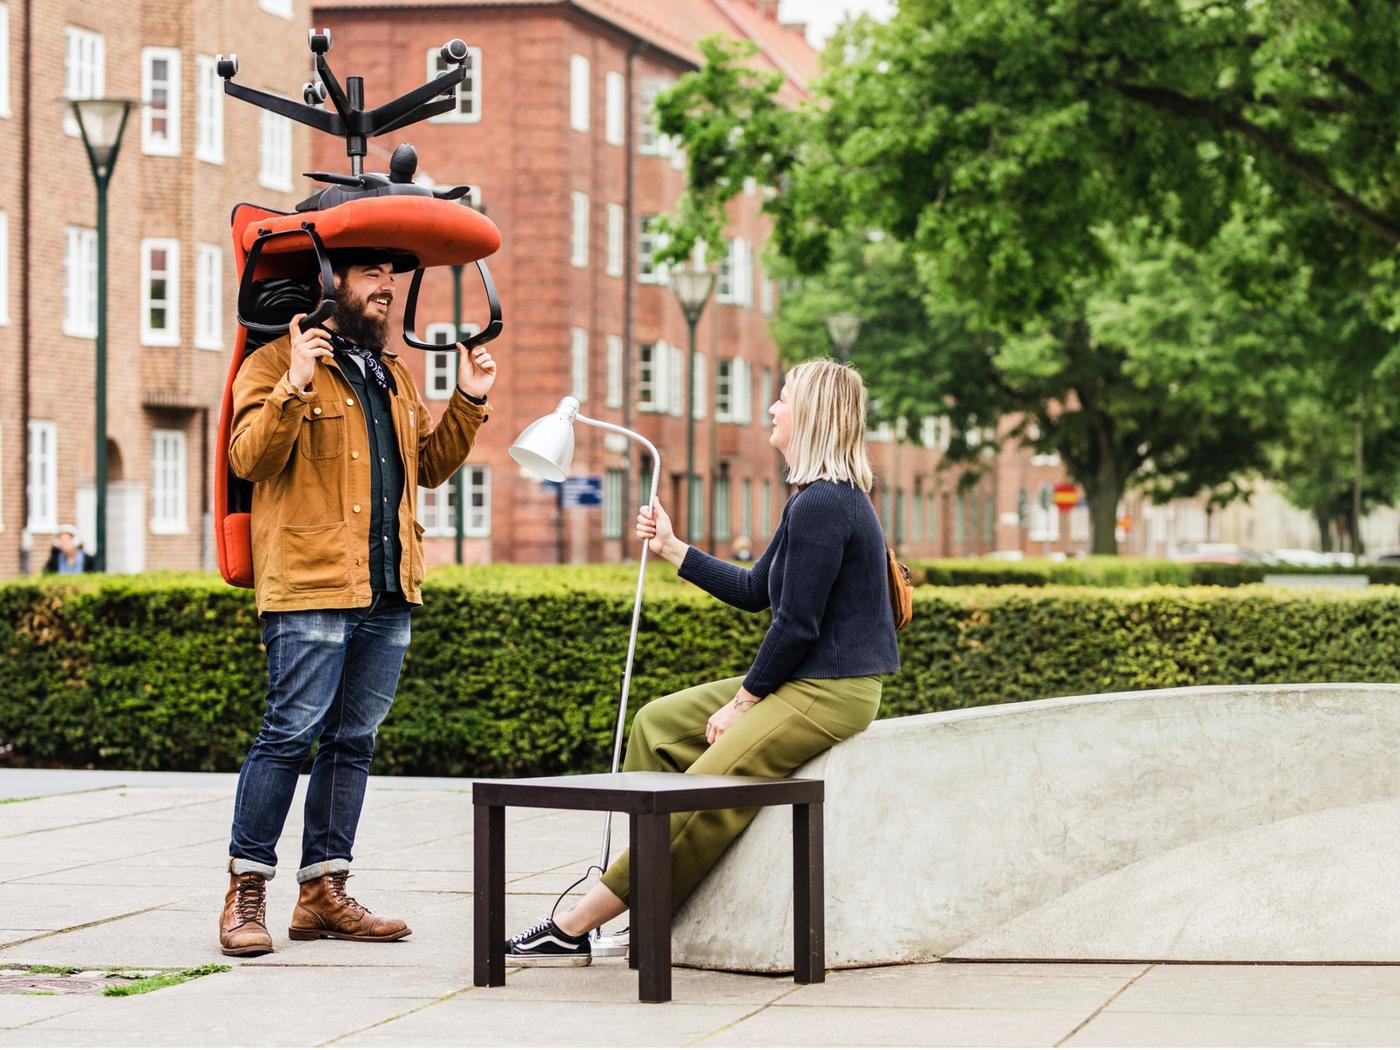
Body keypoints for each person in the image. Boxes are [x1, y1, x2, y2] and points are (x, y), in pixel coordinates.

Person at [504, 358, 900, 965]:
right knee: (657, 725)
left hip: (832, 691)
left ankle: (575, 924)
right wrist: (671, 547)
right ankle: (651, 899)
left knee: (704, 795)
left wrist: (743, 703)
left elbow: (797, 625)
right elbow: (754, 591)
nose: (772, 407)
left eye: (783, 398)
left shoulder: (827, 503)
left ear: (812, 414)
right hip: (806, 679)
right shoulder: (811, 498)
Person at [219, 248, 498, 957]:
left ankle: (323, 892)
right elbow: (248, 459)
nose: (388, 287)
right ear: (329, 283)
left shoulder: (391, 374)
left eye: (392, 276)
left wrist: (468, 399)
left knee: (353, 742)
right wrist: (294, 384)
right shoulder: (270, 364)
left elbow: (427, 466)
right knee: (288, 735)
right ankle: (246, 890)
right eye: (372, 274)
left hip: (387, 586)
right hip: (309, 584)